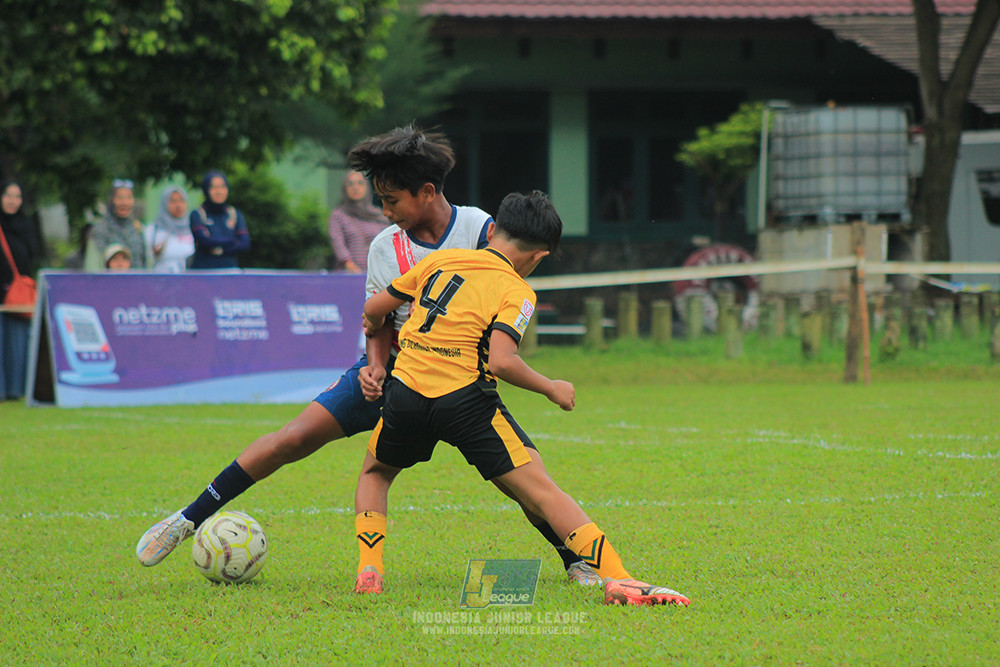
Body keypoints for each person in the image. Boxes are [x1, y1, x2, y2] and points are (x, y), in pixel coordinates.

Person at [135, 126, 600, 589]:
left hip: (459, 381)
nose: (384, 211)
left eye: (392, 200)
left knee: (519, 477)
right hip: (396, 372)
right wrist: (375, 365)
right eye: (380, 200)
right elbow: (377, 318)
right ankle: (187, 518)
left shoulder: (483, 230)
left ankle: (575, 559)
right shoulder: (384, 247)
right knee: (292, 438)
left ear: (427, 191)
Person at [357, 191, 690, 606]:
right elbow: (501, 361)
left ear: (492, 231)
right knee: (543, 491)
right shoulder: (517, 290)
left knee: (375, 473)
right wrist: (552, 386)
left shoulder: (438, 261)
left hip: (405, 391)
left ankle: (370, 569)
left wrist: (373, 321)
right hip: (464, 399)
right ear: (539, 257)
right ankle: (619, 578)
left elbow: (375, 308)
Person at [0, 180, 40, 400]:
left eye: (17, 196)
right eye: (8, 195)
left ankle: (16, 390)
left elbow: (29, 257)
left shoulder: (25, 225)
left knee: (17, 344)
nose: (12, 201)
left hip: (17, 293)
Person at [328, 170, 389, 273]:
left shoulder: (379, 215)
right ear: (344, 189)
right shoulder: (338, 215)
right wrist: (349, 265)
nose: (355, 187)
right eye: (350, 184)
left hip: (377, 275)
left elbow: (387, 245)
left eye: (360, 183)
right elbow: (338, 244)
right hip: (348, 275)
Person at [188, 171, 250, 269]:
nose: (219, 191)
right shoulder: (198, 214)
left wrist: (221, 250)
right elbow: (205, 242)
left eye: (222, 187)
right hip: (203, 272)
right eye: (214, 187)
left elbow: (245, 244)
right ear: (206, 190)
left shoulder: (234, 214)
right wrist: (233, 241)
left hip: (230, 271)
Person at [84, 179, 146, 271]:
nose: (124, 202)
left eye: (129, 197)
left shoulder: (138, 228)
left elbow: (146, 262)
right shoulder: (100, 230)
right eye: (120, 198)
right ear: (112, 200)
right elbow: (92, 268)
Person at [145, 186, 194, 273]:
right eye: (173, 201)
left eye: (181, 201)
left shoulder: (192, 228)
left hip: (187, 280)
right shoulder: (153, 230)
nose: (178, 205)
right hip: (161, 280)